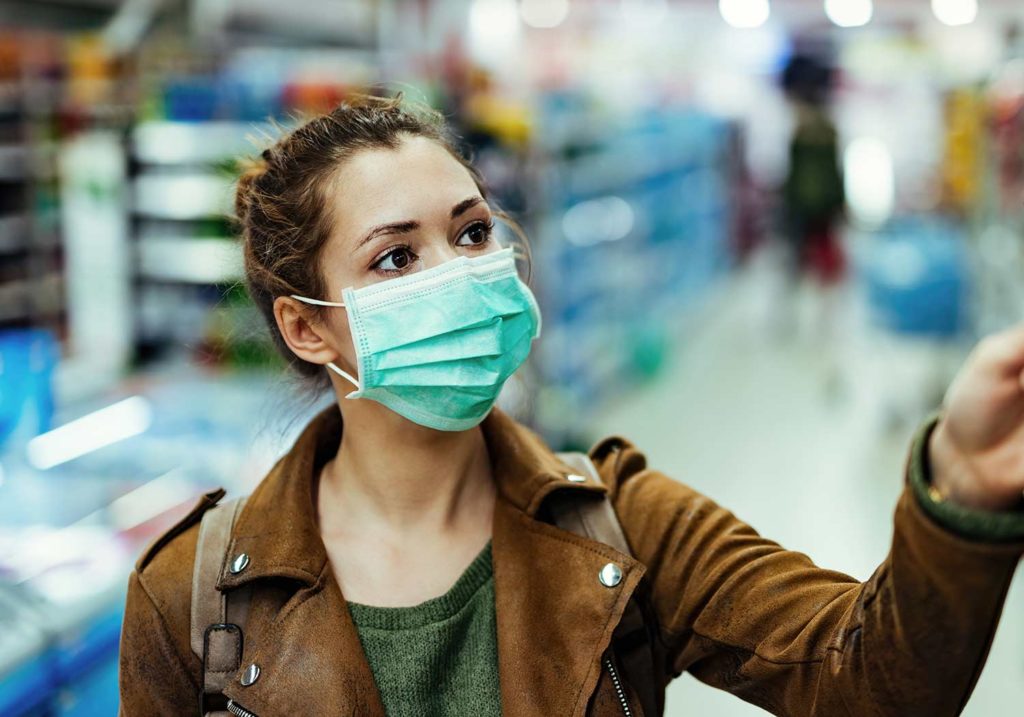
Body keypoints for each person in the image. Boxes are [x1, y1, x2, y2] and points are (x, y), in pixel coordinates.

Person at [118, 93, 1024, 717]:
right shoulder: (194, 598)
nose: (465, 273)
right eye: (396, 257)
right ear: (308, 328)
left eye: (472, 232)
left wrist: (961, 494)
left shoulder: (617, 524)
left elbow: (868, 680)